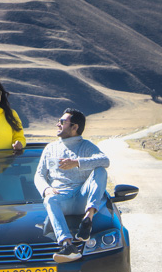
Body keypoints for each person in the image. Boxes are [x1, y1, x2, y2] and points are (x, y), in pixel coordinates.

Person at [35, 108, 110, 262]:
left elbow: (105, 161)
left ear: (74, 127)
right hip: (62, 199)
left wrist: (77, 163)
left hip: (83, 199)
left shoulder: (87, 146)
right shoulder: (50, 148)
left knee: (101, 171)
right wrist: (46, 189)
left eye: (62, 122)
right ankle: (68, 246)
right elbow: (39, 175)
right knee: (49, 199)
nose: (58, 124)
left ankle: (87, 220)